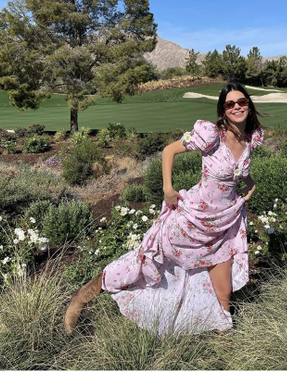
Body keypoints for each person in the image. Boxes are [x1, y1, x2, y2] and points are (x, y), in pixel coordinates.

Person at [64, 82, 264, 335]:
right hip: (191, 219)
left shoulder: (251, 138)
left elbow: (237, 170)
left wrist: (248, 182)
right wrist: (168, 190)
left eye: (242, 102)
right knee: (146, 263)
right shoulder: (211, 135)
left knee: (223, 292)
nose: (237, 107)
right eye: (230, 104)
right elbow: (169, 150)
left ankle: (224, 342)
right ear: (223, 110)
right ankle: (82, 297)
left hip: (225, 222)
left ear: (249, 104)